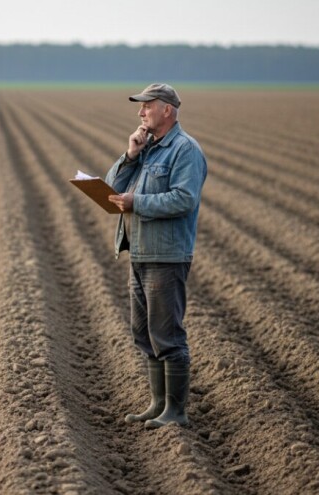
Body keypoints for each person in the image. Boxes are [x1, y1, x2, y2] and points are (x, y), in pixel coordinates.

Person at [105, 83, 207, 429]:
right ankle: (158, 403)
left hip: (166, 255)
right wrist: (131, 155)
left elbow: (184, 199)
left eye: (146, 106)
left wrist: (137, 203)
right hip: (140, 253)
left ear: (167, 109)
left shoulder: (184, 150)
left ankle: (176, 411)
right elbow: (111, 189)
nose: (140, 112)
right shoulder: (147, 149)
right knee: (143, 332)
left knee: (167, 335)